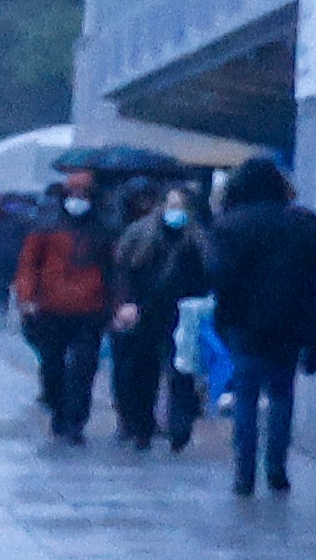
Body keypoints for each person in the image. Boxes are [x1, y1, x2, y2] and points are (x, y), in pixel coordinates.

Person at [203, 159, 316, 499]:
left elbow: (216, 272)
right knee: (281, 395)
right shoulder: (304, 222)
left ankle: (243, 474)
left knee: (245, 397)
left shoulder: (229, 225)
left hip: (243, 323)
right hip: (291, 321)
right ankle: (276, 469)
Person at [12, 188, 112, 439]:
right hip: (50, 309)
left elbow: (112, 269)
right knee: (53, 364)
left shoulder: (102, 229)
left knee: (84, 367)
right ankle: (60, 410)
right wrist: (27, 297)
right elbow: (29, 264)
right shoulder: (45, 227)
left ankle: (75, 420)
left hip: (89, 309)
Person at [110, 187, 196, 445]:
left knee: (181, 371)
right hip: (145, 311)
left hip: (182, 314)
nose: (175, 211)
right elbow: (124, 270)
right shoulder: (140, 234)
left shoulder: (196, 238)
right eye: (172, 205)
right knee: (143, 372)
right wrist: (126, 303)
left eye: (180, 206)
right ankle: (141, 425)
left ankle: (178, 426)